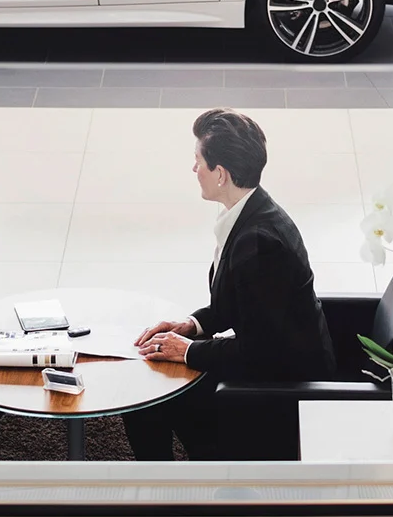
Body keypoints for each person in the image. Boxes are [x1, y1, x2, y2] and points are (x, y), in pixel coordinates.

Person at [125, 109, 336, 460]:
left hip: (279, 386)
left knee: (146, 399)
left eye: (198, 162)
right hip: (270, 358)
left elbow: (259, 351)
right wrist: (191, 325)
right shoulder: (249, 211)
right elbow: (241, 303)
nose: (194, 170)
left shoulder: (259, 242)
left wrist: (188, 351)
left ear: (220, 174)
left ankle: (166, 492)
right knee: (155, 378)